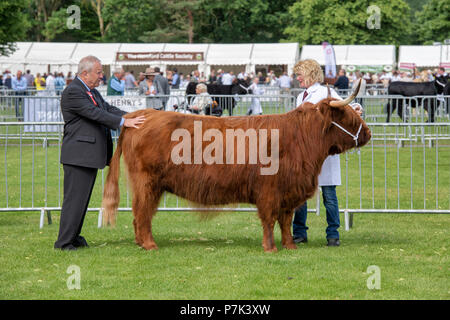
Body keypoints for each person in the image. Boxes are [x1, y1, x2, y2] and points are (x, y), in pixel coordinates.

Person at [54, 55, 145, 251]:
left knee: (82, 200)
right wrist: (123, 123)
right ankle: (64, 242)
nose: (102, 76)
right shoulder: (74, 92)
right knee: (74, 200)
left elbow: (107, 108)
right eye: (98, 72)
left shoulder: (91, 91)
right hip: (79, 156)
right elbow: (95, 114)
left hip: (87, 156)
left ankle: (73, 236)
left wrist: (132, 116)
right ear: (84, 73)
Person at [292, 59, 362, 247]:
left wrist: (356, 109)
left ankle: (333, 234)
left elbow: (347, 109)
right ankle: (299, 233)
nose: (297, 78)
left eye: (300, 75)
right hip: (305, 154)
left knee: (329, 195)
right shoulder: (301, 97)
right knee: (300, 195)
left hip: (325, 155)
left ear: (310, 74)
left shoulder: (327, 93)